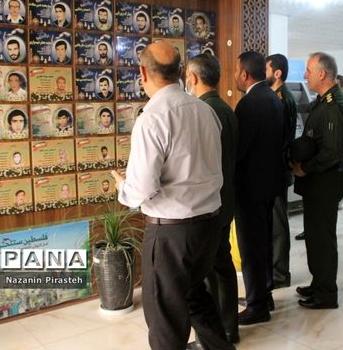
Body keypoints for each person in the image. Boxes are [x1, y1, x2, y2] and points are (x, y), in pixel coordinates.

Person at [111, 41, 233, 350]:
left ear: (143, 73)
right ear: (180, 72)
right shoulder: (206, 111)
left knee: (164, 317)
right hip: (208, 226)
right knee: (195, 297)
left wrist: (123, 188)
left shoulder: (152, 118)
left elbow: (142, 188)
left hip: (171, 234)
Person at [185, 53, 240, 344]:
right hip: (226, 197)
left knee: (207, 270)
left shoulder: (202, 111)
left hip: (209, 204)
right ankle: (229, 328)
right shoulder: (226, 108)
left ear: (193, 78)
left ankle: (215, 335)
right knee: (222, 263)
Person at [291, 52, 343, 310]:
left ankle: (327, 293)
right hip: (316, 183)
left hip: (324, 182)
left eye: (308, 70)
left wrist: (305, 168)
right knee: (315, 238)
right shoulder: (322, 102)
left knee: (323, 240)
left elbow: (332, 152)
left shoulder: (334, 106)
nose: (305, 75)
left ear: (322, 74)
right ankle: (318, 283)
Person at [233, 51, 283, 325]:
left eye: (236, 71)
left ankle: (256, 306)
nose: (234, 76)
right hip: (269, 184)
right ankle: (265, 293)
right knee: (263, 241)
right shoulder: (273, 98)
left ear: (244, 74)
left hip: (250, 187)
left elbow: (239, 150)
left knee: (251, 247)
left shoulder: (249, 104)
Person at [265, 53, 297, 289]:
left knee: (277, 225)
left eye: (266, 69)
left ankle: (279, 273)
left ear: (277, 73)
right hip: (276, 168)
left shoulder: (281, 98)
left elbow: (279, 138)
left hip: (276, 168)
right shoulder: (278, 96)